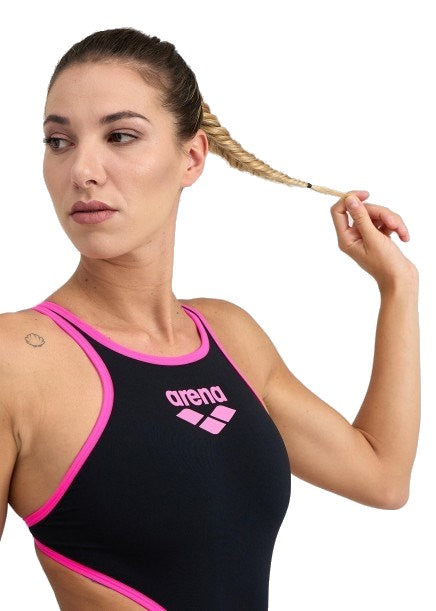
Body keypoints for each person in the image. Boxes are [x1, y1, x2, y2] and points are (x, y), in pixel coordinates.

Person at [0, 26, 420, 611]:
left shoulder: (229, 336)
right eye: (59, 141)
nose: (82, 170)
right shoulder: (17, 361)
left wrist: (399, 288)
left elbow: (382, 477)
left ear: (192, 157)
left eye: (120, 136)